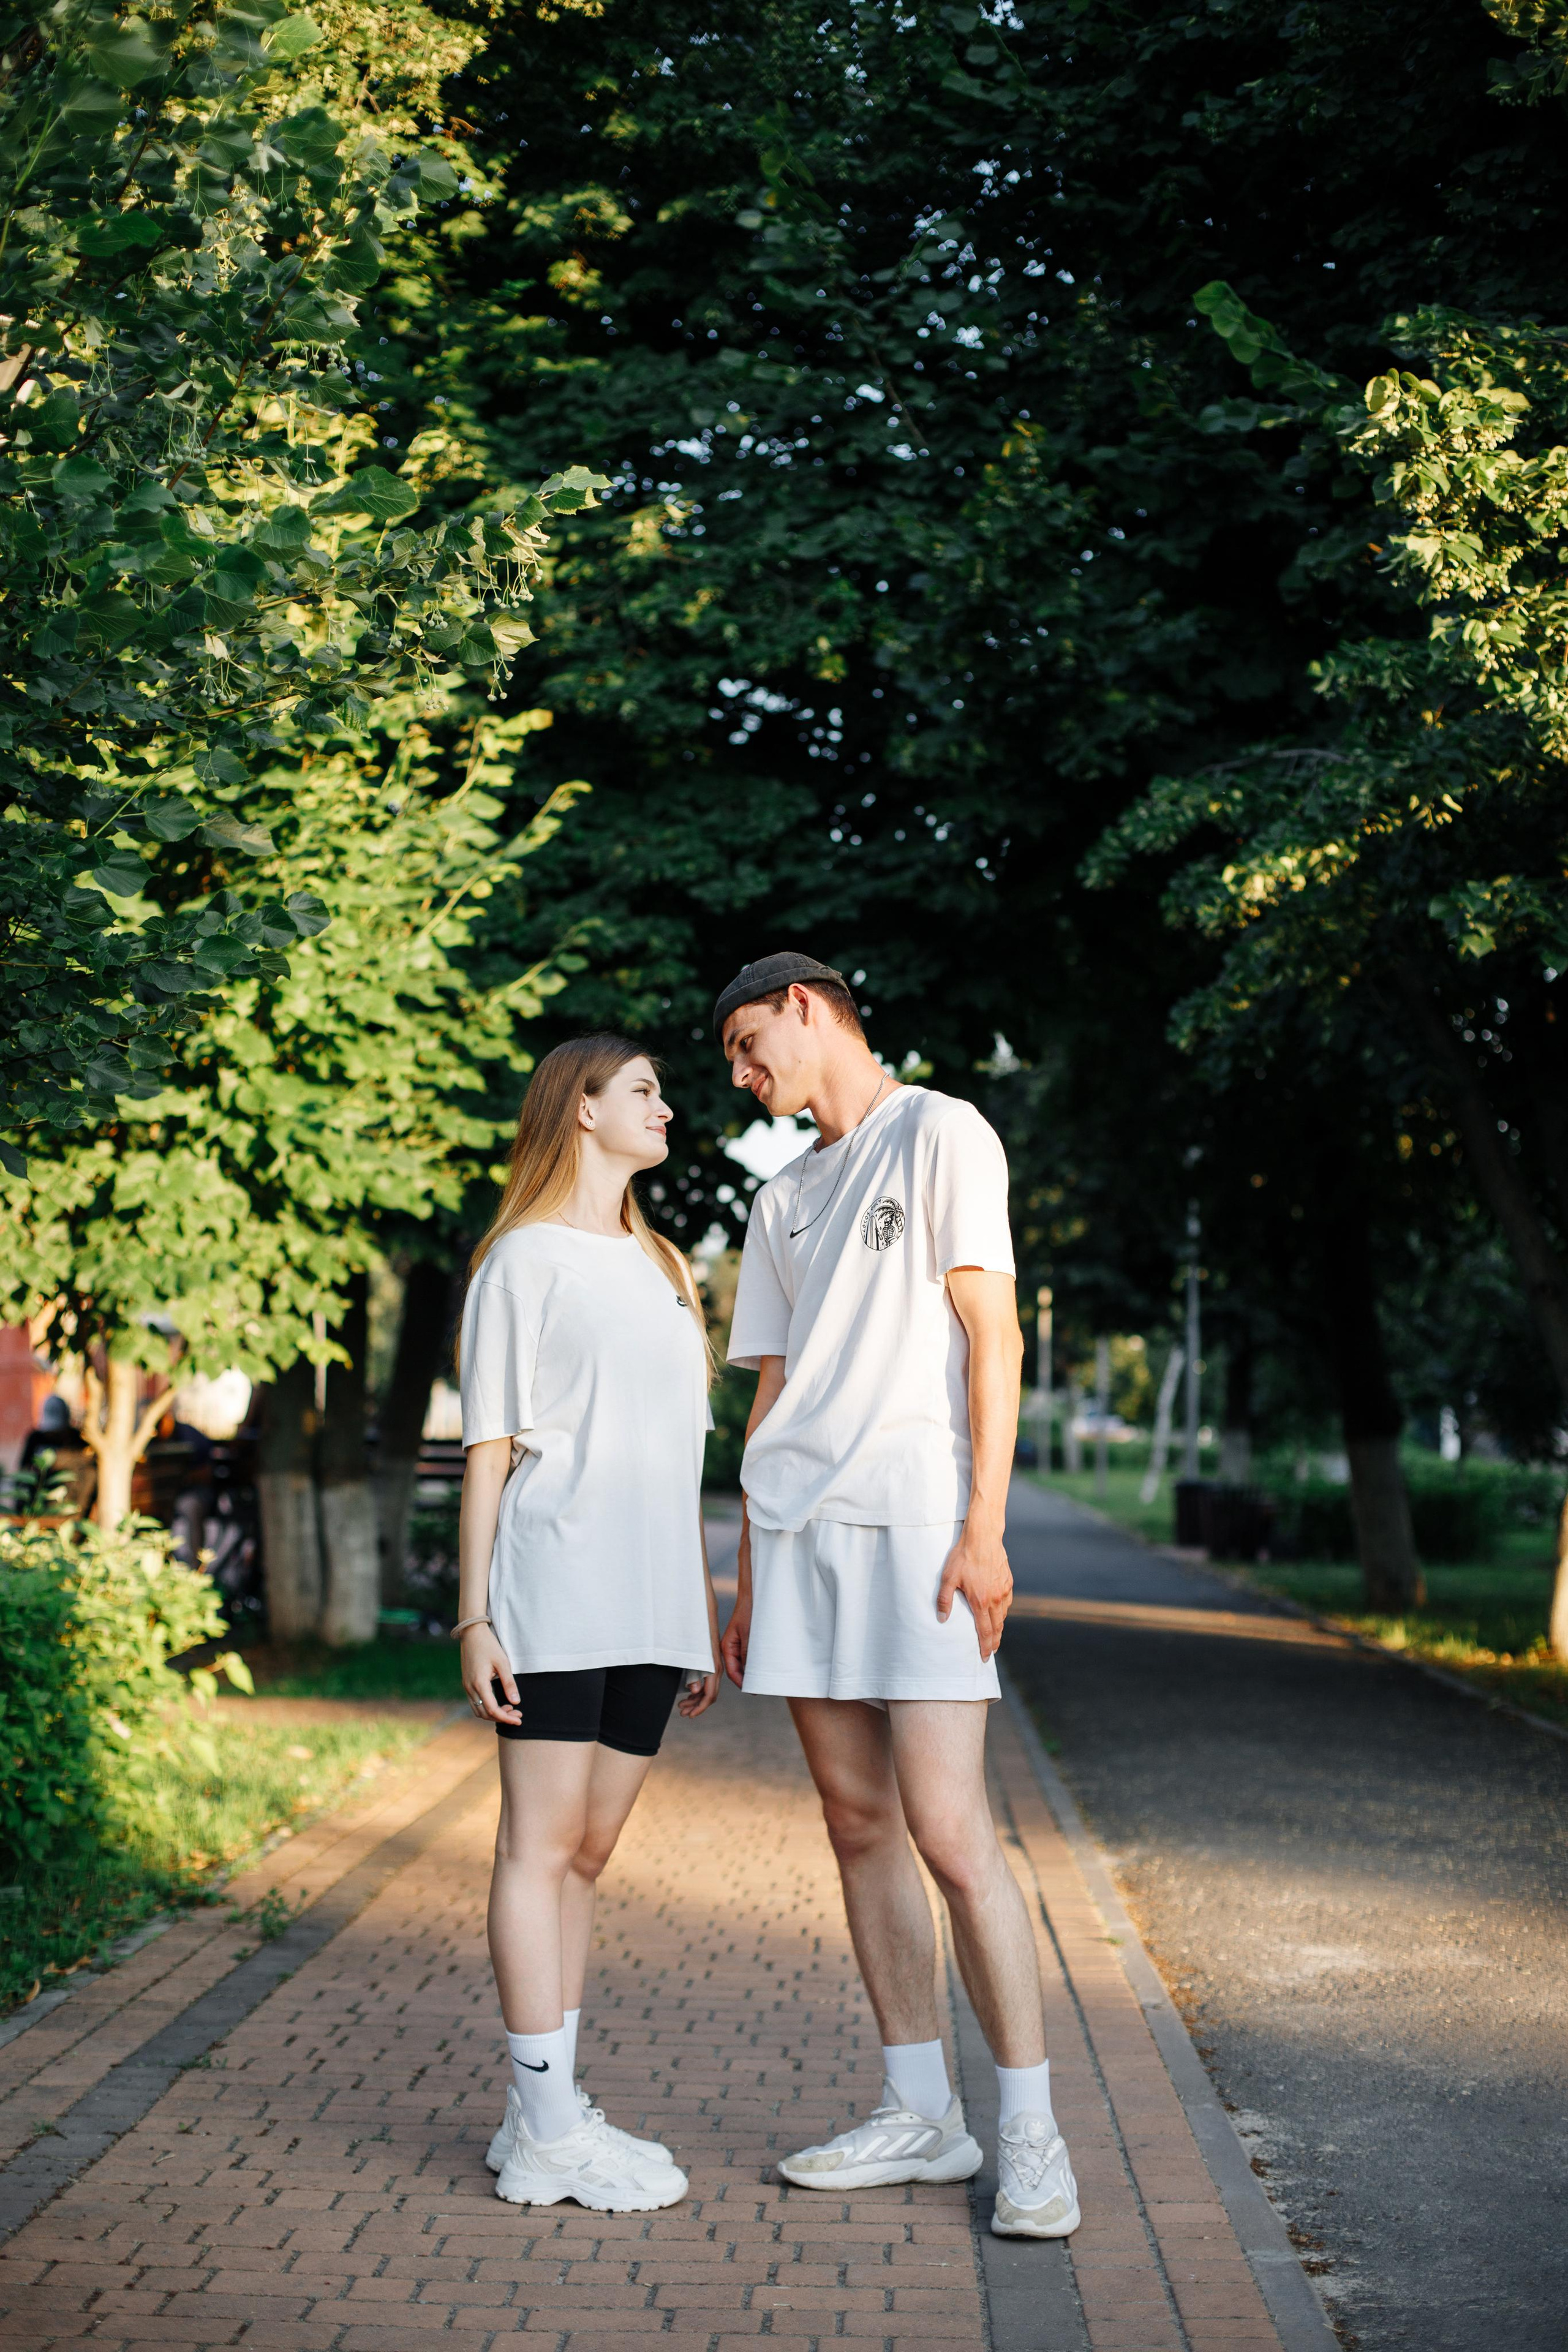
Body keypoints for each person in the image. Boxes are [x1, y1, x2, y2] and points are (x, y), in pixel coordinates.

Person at [715, 952, 1079, 2240]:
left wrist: (984, 1528)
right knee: (856, 1824)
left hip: (920, 1519)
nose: (748, 1081)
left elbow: (994, 1336)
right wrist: (748, 1570)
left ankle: (1030, 2135)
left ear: (808, 1009)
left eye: (753, 1048)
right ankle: (919, 2111)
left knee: (946, 1829)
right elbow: (765, 1393)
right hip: (796, 1530)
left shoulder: (940, 1132)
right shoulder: (781, 1197)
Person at [455, 1035, 722, 2215]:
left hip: (654, 1605)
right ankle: (553, 2125)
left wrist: (699, 1612)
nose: (666, 1106)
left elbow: (682, 1452)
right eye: (646, 1090)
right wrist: (474, 1614)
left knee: (592, 1855)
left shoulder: (666, 1259)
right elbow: (490, 1450)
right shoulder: (522, 1262)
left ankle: (541, 2112)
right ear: (582, 1110)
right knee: (538, 1847)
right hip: (555, 1588)